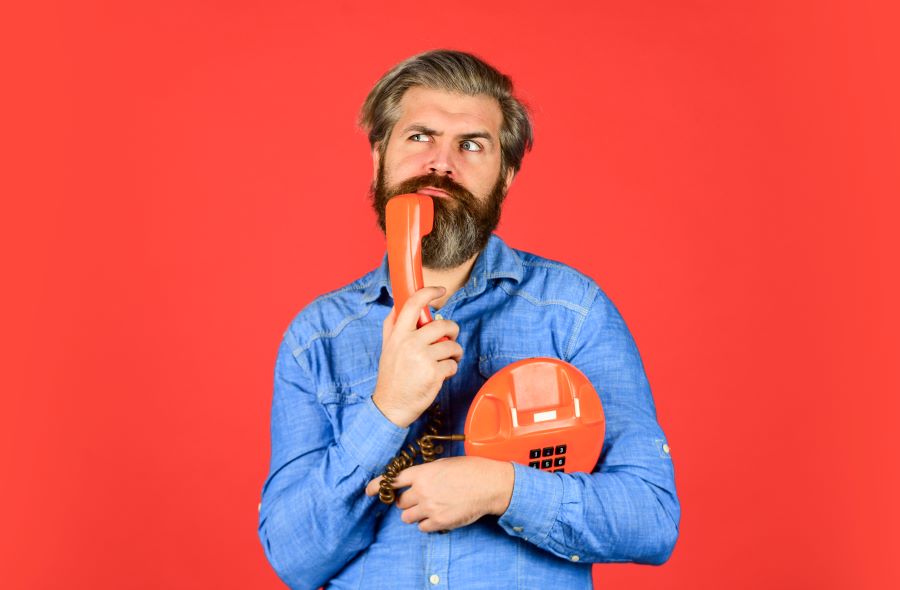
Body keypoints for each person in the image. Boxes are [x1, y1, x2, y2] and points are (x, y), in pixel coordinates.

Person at [258, 50, 680, 590]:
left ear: (504, 178)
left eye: (471, 145)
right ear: (378, 157)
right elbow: (293, 559)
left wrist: (501, 489)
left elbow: (652, 518)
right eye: (419, 137)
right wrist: (386, 411)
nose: (441, 163)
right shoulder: (316, 338)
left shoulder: (573, 314)